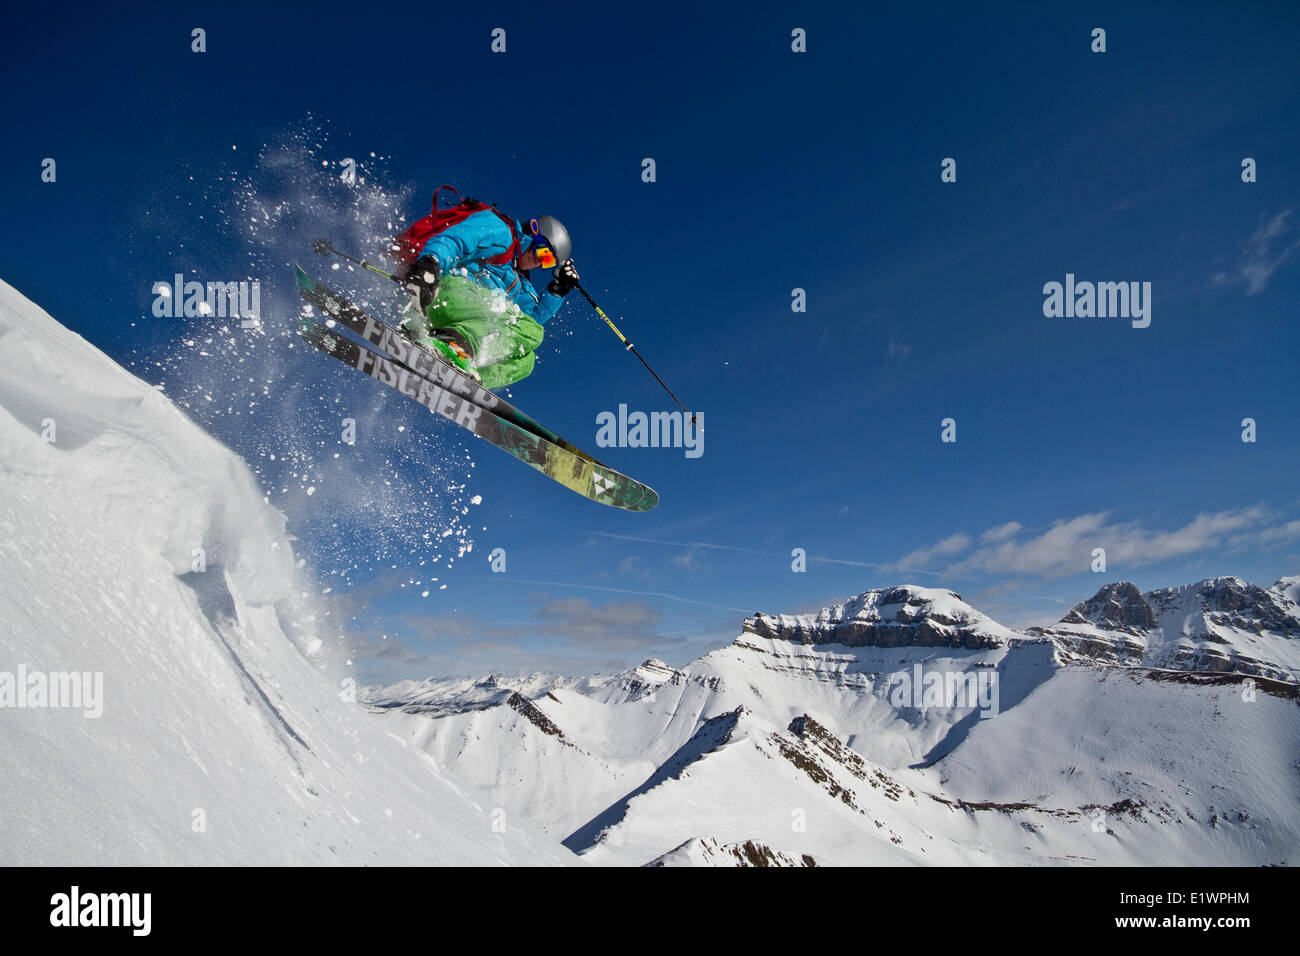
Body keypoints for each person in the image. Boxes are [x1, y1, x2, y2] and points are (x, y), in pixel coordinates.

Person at [396, 203, 580, 389]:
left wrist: (558, 290)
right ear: (533, 234)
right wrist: (429, 265)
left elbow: (527, 325)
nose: (539, 262)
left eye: (548, 262)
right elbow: (456, 241)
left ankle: (469, 379)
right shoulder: (502, 233)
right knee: (506, 315)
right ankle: (453, 345)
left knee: (528, 357)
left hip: (464, 319)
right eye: (544, 252)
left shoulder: (521, 284)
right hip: (443, 292)